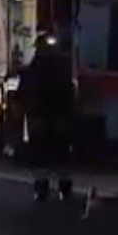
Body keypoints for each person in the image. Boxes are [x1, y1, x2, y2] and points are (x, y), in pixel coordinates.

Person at [16, 32, 76, 203]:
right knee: (60, 153)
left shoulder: (32, 71)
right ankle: (63, 188)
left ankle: (43, 188)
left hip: (40, 119)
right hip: (56, 118)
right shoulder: (63, 70)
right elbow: (70, 94)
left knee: (41, 154)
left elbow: (23, 94)